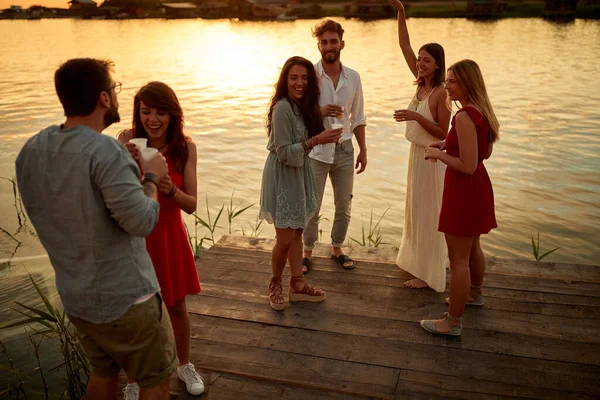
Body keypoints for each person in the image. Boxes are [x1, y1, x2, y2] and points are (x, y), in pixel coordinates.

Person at [15, 58, 175, 399]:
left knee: (104, 373)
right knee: (155, 380)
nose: (117, 97)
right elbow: (143, 222)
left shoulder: (31, 149)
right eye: (114, 89)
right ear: (104, 98)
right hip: (127, 298)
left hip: (77, 298)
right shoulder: (105, 149)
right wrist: (150, 176)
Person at [118, 82, 203, 397]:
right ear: (138, 113)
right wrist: (121, 160)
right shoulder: (127, 141)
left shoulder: (185, 148)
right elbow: (117, 196)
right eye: (146, 111)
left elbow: (192, 205)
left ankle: (184, 365)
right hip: (135, 237)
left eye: (160, 112)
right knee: (135, 312)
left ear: (172, 114)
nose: (152, 119)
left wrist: (172, 191)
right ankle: (132, 380)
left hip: (168, 234)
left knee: (176, 306)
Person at [420, 59, 499, 336]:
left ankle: (452, 322)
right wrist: (446, 143)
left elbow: (467, 164)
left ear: (467, 83)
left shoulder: (463, 116)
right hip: (478, 188)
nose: (447, 86)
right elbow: (482, 154)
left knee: (458, 260)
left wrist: (438, 154)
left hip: (463, 191)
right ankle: (474, 295)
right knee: (473, 247)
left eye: (452, 81)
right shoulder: (480, 113)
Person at [259, 56, 342, 311]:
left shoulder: (303, 106)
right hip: (283, 175)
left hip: (299, 173)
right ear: (285, 80)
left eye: (305, 78)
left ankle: (297, 283)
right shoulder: (282, 108)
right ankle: (275, 283)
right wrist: (317, 140)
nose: (300, 83)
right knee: (284, 238)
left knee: (296, 233)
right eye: (294, 77)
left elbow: (304, 142)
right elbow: (284, 153)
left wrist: (324, 134)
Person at [386, 0, 451, 291]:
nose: (419, 63)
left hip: (433, 160)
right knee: (416, 212)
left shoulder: (440, 93)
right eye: (419, 59)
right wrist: (400, 12)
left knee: (428, 214)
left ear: (438, 64)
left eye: (426, 60)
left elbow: (443, 132)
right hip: (416, 157)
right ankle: (419, 263)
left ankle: (430, 274)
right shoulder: (420, 84)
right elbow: (403, 46)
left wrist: (414, 115)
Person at [302, 19, 368, 272]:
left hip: (344, 149)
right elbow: (298, 113)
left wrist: (363, 149)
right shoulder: (308, 76)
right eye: (324, 42)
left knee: (344, 203)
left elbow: (358, 117)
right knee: (312, 205)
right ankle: (307, 251)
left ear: (342, 43)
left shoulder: (354, 78)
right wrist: (318, 112)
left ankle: (337, 247)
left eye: (333, 41)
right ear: (318, 45)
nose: (329, 46)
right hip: (317, 150)